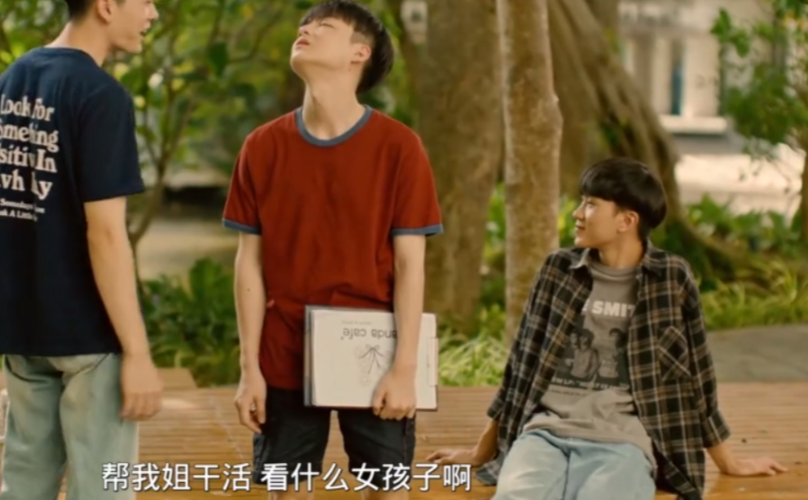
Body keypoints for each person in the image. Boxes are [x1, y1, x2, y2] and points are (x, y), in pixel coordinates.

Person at [427, 158, 787, 500]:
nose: (577, 213)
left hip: (623, 442)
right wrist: (481, 452)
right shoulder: (558, 270)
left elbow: (697, 376)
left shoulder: (670, 278)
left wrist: (728, 461)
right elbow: (522, 364)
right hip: (544, 434)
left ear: (626, 220)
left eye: (591, 204)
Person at [222, 1, 443, 498]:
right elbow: (249, 264)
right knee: (286, 488)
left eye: (323, 26)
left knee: (388, 488)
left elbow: (410, 266)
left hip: (374, 348)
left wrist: (405, 368)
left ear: (359, 53)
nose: (305, 30)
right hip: (284, 351)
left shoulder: (400, 147)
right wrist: (249, 369)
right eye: (304, 25)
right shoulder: (261, 147)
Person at [0, 1, 162, 499]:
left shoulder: (12, 80)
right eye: (146, 1)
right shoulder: (101, 95)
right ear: (107, 5)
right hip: (87, 332)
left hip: (21, 323)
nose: (153, 14)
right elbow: (105, 234)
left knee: (24, 484)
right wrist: (137, 353)